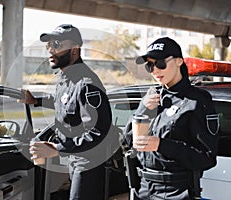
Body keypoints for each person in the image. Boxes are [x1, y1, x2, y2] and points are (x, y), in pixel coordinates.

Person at [18, 24, 116, 200]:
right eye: (48, 45)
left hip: (88, 165)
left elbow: (98, 131)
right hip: (75, 160)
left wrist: (57, 148)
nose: (50, 50)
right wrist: (35, 101)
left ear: (74, 50)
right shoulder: (66, 79)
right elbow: (65, 103)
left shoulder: (87, 84)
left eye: (56, 44)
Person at [124, 37, 219, 200]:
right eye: (149, 65)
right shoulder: (151, 96)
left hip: (175, 191)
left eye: (160, 63)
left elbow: (206, 157)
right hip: (144, 187)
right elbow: (128, 140)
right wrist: (142, 109)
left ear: (178, 61)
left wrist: (162, 145)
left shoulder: (196, 101)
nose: (155, 70)